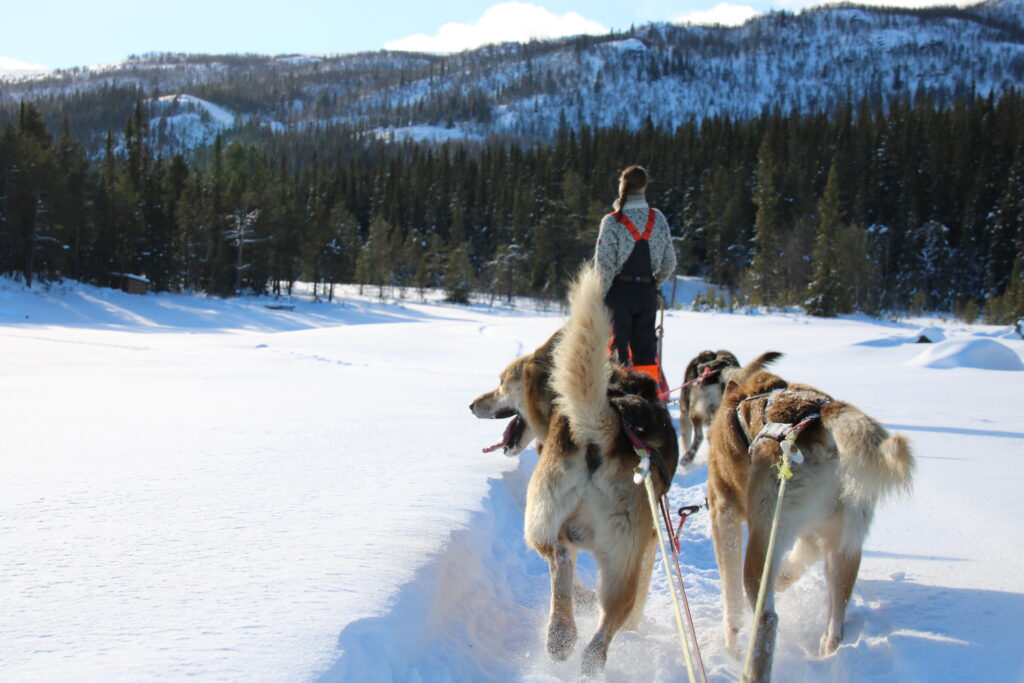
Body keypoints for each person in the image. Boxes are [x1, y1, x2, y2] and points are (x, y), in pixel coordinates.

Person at [594, 165, 676, 382]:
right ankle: (648, 398)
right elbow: (669, 262)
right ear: (644, 186)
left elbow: (603, 267)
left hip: (619, 294)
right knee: (646, 354)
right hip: (646, 293)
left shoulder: (612, 221)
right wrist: (653, 285)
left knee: (615, 354)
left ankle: (616, 396)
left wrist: (598, 297)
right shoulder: (657, 219)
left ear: (622, 185)